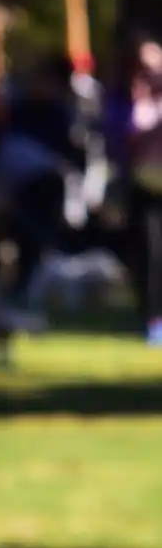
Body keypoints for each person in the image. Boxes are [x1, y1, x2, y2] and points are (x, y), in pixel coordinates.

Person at [0, 53, 86, 309]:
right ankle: (16, 294)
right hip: (17, 190)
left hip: (48, 193)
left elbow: (74, 159)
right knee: (15, 245)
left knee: (40, 246)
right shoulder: (18, 111)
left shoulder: (62, 117)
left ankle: (34, 297)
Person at [107, 36, 162, 344]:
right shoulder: (128, 102)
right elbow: (124, 140)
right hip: (144, 187)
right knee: (151, 253)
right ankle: (154, 318)